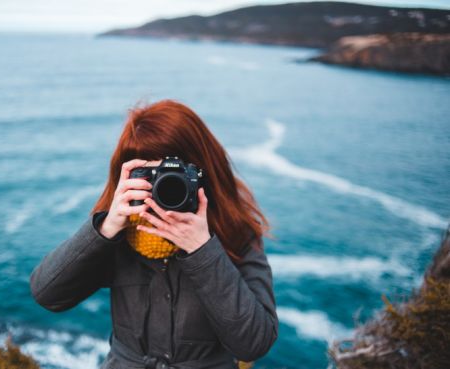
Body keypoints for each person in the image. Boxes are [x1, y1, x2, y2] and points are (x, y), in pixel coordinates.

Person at [29, 99, 279, 369]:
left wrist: (203, 251)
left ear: (203, 171)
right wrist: (106, 228)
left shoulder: (235, 230)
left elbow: (255, 342)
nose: (164, 187)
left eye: (177, 175)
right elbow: (47, 294)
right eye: (150, 176)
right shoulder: (119, 231)